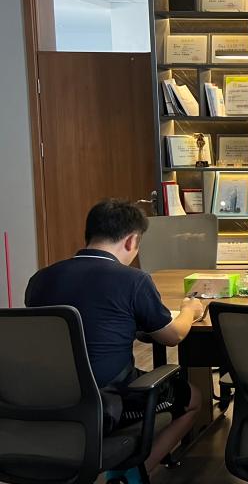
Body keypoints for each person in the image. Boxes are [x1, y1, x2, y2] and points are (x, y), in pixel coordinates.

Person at [25, 199, 203, 480]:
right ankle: (132, 475)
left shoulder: (40, 279)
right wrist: (189, 310)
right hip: (106, 404)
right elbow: (173, 336)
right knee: (193, 398)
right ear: (132, 241)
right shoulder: (133, 280)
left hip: (43, 399)